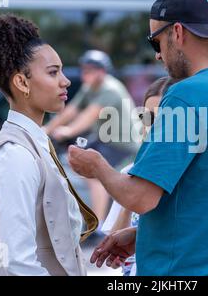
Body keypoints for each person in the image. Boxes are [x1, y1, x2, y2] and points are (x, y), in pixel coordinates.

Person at [68, 0, 208, 276]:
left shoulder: (188, 94)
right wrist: (144, 237)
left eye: (156, 42)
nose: (157, 56)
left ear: (177, 33)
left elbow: (140, 197)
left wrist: (97, 166)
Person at [0, 14, 98, 276]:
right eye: (53, 72)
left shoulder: (34, 142)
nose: (65, 80)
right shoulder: (16, 154)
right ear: (22, 82)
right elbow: (18, 262)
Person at [44, 50, 139, 223]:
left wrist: (68, 131)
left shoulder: (110, 89)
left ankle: (98, 225)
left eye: (90, 70)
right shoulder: (90, 87)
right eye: (84, 69)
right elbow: (71, 110)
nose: (85, 74)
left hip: (123, 144)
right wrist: (46, 129)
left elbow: (90, 115)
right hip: (106, 139)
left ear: (102, 72)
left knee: (94, 175)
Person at [101, 76, 178, 276]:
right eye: (148, 118)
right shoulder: (130, 172)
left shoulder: (187, 178)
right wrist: (132, 195)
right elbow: (114, 258)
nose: (152, 126)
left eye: (162, 118)